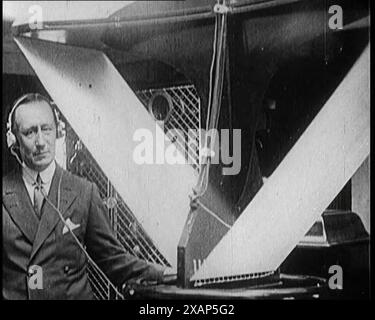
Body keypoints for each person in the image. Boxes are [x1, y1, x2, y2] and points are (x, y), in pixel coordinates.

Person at [2, 93, 173, 300]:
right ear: (14, 140)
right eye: (29, 132)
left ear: (58, 132)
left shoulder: (84, 191)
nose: (40, 142)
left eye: (46, 129)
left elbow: (113, 260)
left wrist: (165, 273)